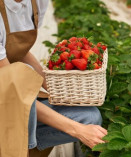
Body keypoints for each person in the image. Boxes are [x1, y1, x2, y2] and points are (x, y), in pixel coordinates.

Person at [0, 0, 107, 156]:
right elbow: (14, 91)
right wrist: (78, 130)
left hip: (17, 93)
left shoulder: (37, 2)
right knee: (21, 75)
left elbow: (20, 51)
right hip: (7, 99)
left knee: (90, 117)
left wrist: (54, 89)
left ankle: (25, 149)